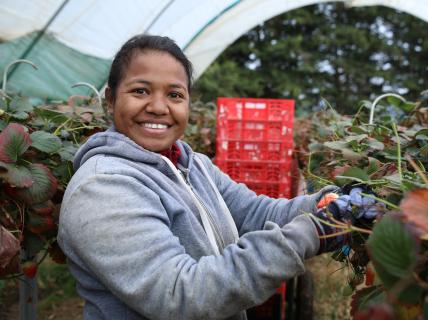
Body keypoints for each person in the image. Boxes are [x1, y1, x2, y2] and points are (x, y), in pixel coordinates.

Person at [58, 35, 381, 320]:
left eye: (175, 95)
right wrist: (312, 231)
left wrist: (330, 203)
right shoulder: (102, 188)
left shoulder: (191, 164)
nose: (158, 107)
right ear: (111, 99)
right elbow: (181, 296)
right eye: (140, 91)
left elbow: (255, 213)